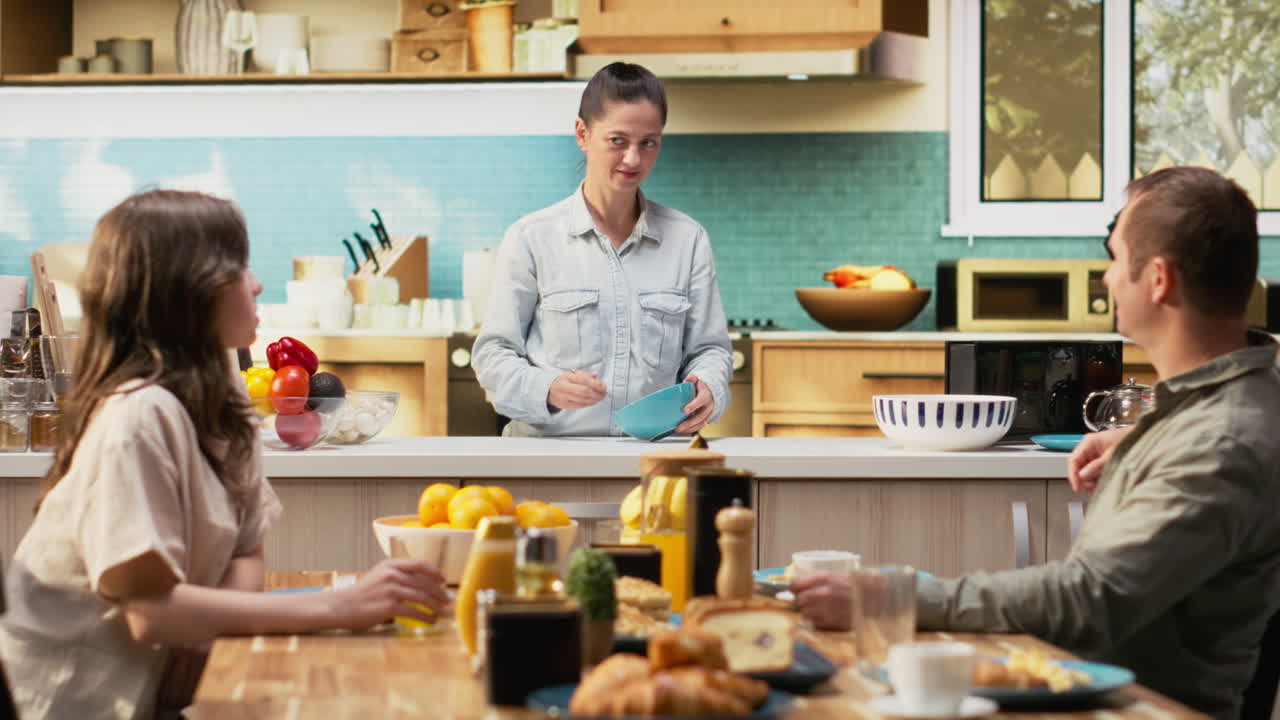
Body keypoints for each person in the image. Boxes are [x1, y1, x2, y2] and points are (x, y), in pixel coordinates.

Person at [793, 167, 1280, 720]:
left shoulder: (1222, 443)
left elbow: (1084, 599)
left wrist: (888, 598)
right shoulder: (1229, 408)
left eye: (1116, 257)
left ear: (1160, 280)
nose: (1106, 278)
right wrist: (1147, 441)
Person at [0, 190, 448, 720]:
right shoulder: (139, 416)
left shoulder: (225, 400)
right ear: (186, 292)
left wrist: (203, 635)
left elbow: (244, 550)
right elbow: (150, 614)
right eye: (237, 268)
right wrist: (341, 606)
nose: (256, 284)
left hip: (155, 694)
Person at [472, 62, 733, 437]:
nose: (633, 159)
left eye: (648, 143)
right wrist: (546, 388)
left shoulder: (688, 240)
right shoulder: (531, 237)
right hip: (551, 461)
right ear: (582, 133)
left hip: (654, 459)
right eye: (618, 140)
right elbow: (493, 355)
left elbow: (711, 350)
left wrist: (710, 387)